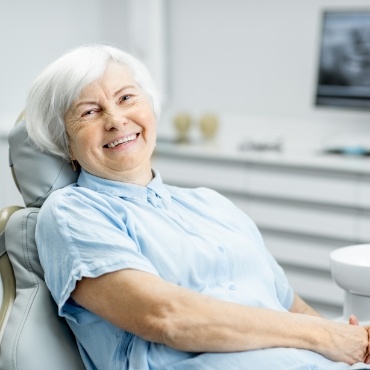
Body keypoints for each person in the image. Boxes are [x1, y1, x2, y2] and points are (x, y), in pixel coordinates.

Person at [25, 44, 370, 370]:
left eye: (127, 98)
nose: (116, 119)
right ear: (66, 144)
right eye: (89, 112)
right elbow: (168, 318)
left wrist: (354, 344)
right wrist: (325, 336)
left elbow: (293, 307)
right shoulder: (73, 212)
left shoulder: (211, 203)